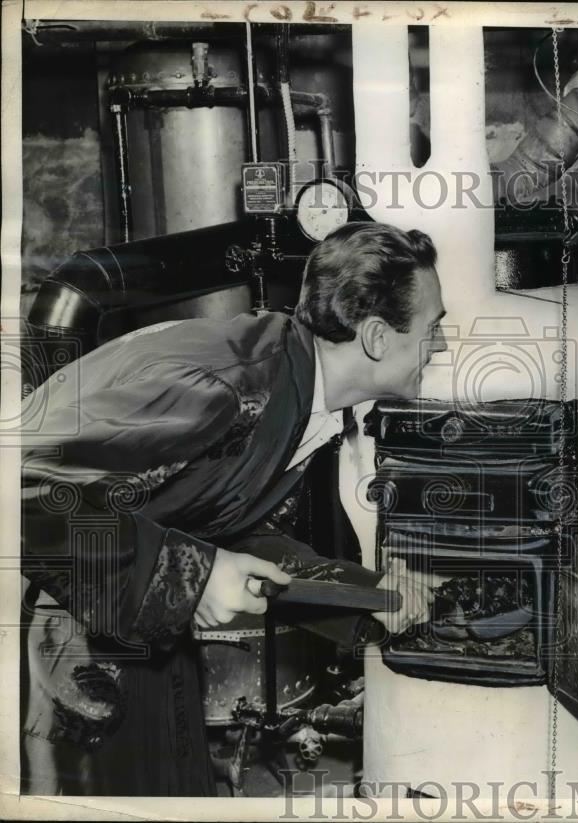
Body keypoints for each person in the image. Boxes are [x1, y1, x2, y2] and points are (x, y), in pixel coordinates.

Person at [21, 221, 449, 795]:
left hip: (134, 627)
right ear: (375, 336)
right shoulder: (222, 386)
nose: (442, 346)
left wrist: (368, 597)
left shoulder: (294, 392)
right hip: (70, 646)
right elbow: (26, 496)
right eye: (433, 327)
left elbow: (220, 526)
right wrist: (196, 577)